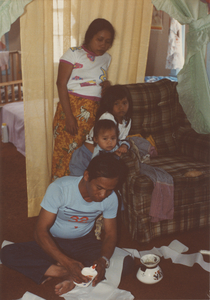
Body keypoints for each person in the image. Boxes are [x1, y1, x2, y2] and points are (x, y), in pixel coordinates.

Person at [0, 154, 132, 296]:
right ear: (87, 176)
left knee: (127, 263)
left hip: (84, 242)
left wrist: (103, 260)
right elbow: (40, 231)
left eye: (109, 190)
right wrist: (67, 264)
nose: (103, 195)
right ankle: (66, 272)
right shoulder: (60, 188)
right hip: (54, 241)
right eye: (99, 187)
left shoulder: (111, 198)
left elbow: (111, 234)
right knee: (7, 253)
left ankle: (67, 272)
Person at [52, 18, 115, 179]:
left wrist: (106, 84)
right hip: (71, 108)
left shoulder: (106, 58)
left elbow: (97, 79)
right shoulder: (74, 53)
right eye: (99, 39)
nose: (103, 45)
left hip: (94, 111)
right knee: (65, 156)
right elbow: (61, 83)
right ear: (89, 37)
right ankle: (58, 198)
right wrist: (69, 117)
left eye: (108, 41)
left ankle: (80, 198)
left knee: (85, 157)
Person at [69, 84, 133, 176]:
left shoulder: (127, 121)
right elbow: (104, 142)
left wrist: (124, 146)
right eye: (116, 103)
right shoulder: (107, 117)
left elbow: (122, 139)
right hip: (85, 156)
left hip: (102, 156)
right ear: (110, 104)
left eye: (124, 103)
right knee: (78, 182)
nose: (121, 107)